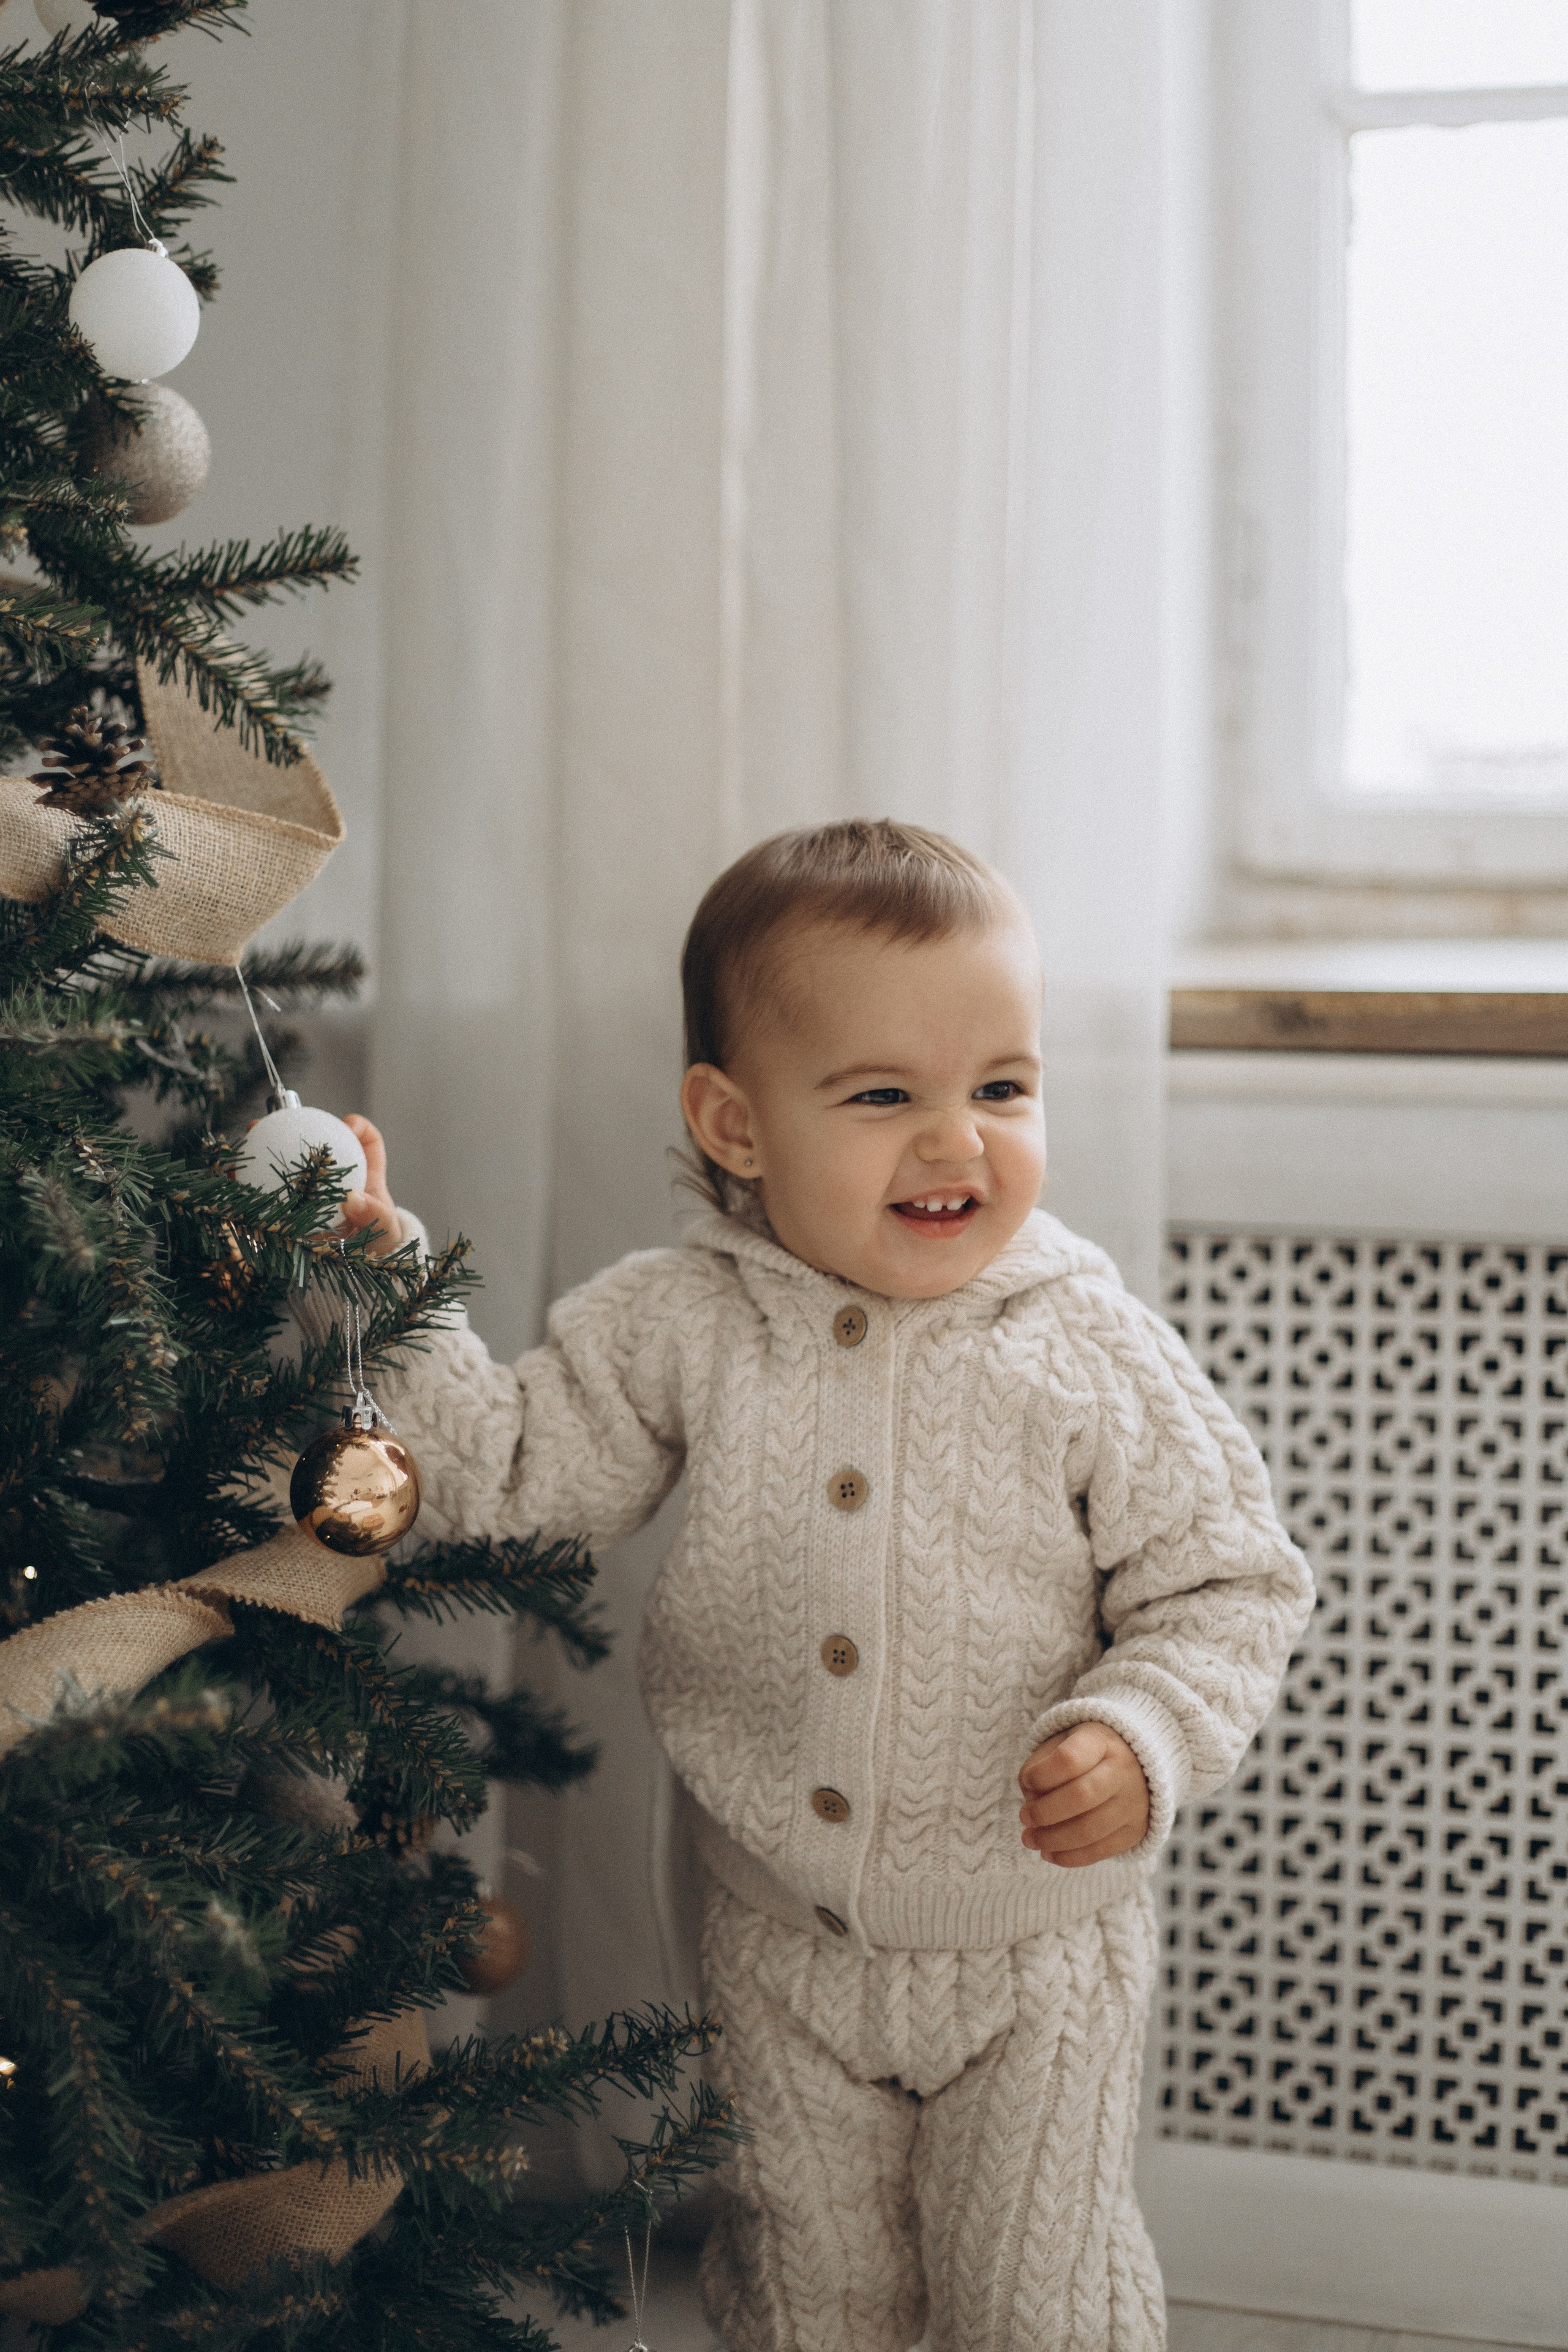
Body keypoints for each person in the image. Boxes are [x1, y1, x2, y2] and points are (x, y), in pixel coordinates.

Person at [337, 819, 1314, 2352]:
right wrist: (393, 1289)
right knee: (808, 2295)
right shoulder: (682, 1323)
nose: (957, 1141)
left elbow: (1230, 1583)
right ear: (734, 1124)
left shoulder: (1080, 1341)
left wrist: (1143, 1734)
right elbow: (517, 1480)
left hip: (1033, 1949)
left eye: (1002, 1086)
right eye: (882, 1097)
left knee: (1034, 2303)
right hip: (776, 1940)